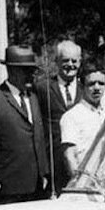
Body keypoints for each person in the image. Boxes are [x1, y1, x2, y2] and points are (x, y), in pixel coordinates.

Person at [0, 45, 51, 206]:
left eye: (33, 70)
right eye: (26, 70)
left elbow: (39, 136)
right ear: (11, 70)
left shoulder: (33, 98)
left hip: (36, 186)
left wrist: (44, 172)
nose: (31, 75)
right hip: (5, 187)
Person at [34, 40, 83, 196]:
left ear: (80, 62)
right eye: (65, 60)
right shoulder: (42, 87)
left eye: (74, 61)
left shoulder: (86, 89)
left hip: (80, 159)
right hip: (52, 162)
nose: (70, 65)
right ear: (57, 61)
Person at [60, 61, 105, 177]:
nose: (97, 88)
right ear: (82, 86)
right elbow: (69, 156)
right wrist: (79, 183)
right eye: (91, 84)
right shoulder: (71, 116)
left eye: (101, 83)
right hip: (86, 182)